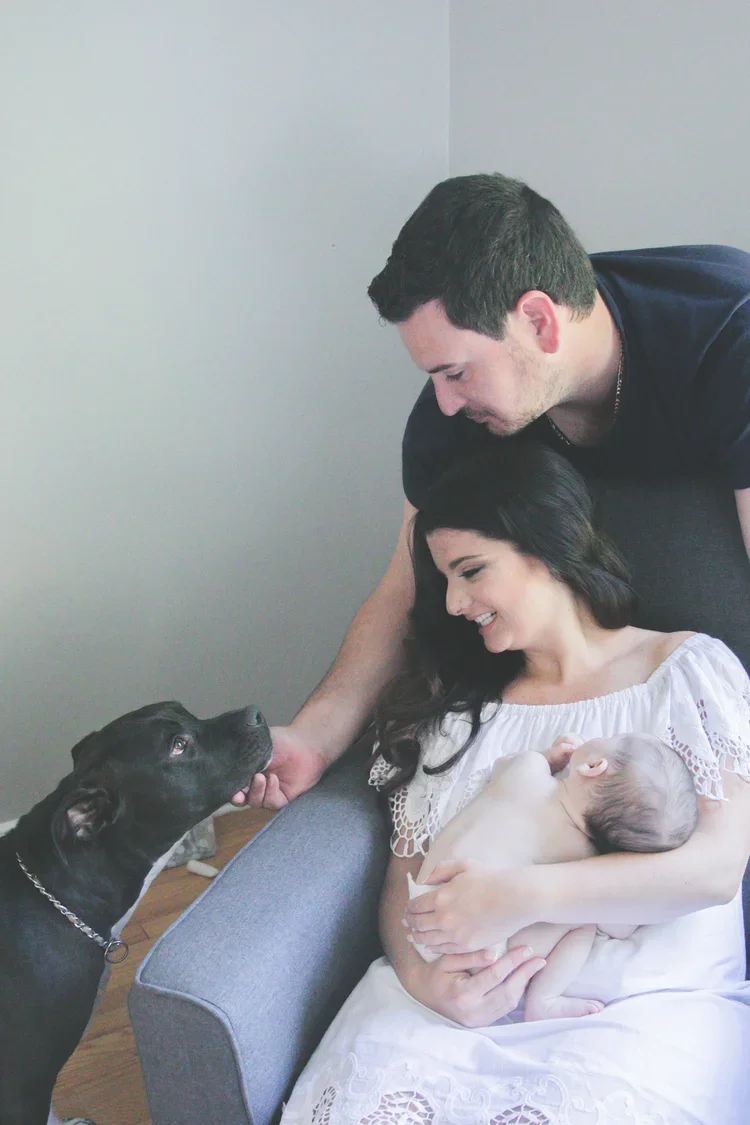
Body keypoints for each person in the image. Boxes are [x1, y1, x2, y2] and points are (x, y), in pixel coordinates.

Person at [232, 172, 750, 812]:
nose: (446, 402)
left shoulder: (729, 331)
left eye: (456, 371)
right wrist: (313, 737)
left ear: (538, 320)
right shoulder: (449, 422)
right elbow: (405, 588)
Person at [279, 441, 750, 1125]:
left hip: (634, 1013)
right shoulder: (455, 715)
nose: (454, 602)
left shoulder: (685, 673)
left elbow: (716, 870)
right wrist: (424, 980)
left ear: (548, 545)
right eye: (444, 580)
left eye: (471, 571)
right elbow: (403, 882)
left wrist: (516, 896)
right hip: (446, 1020)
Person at [406, 730, 699, 1022]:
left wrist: (549, 758)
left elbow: (499, 767)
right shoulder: (582, 856)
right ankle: (544, 999)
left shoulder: (528, 767)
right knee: (584, 921)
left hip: (422, 907)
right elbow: (620, 928)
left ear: (593, 765)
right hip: (478, 957)